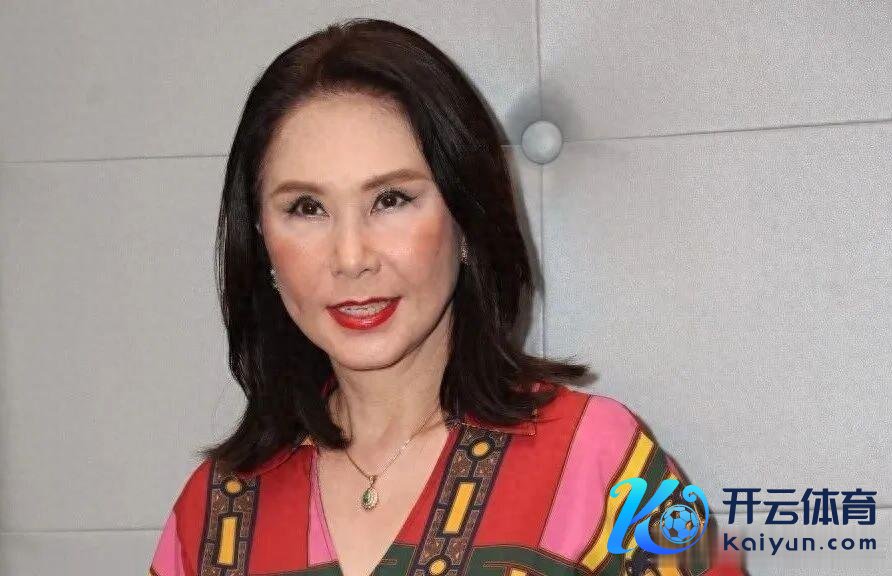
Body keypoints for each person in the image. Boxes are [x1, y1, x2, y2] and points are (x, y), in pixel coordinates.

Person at [148, 18, 747, 576]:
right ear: (261, 240)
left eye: (391, 200)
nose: (351, 257)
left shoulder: (602, 462)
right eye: (306, 208)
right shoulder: (213, 513)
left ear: (465, 220)